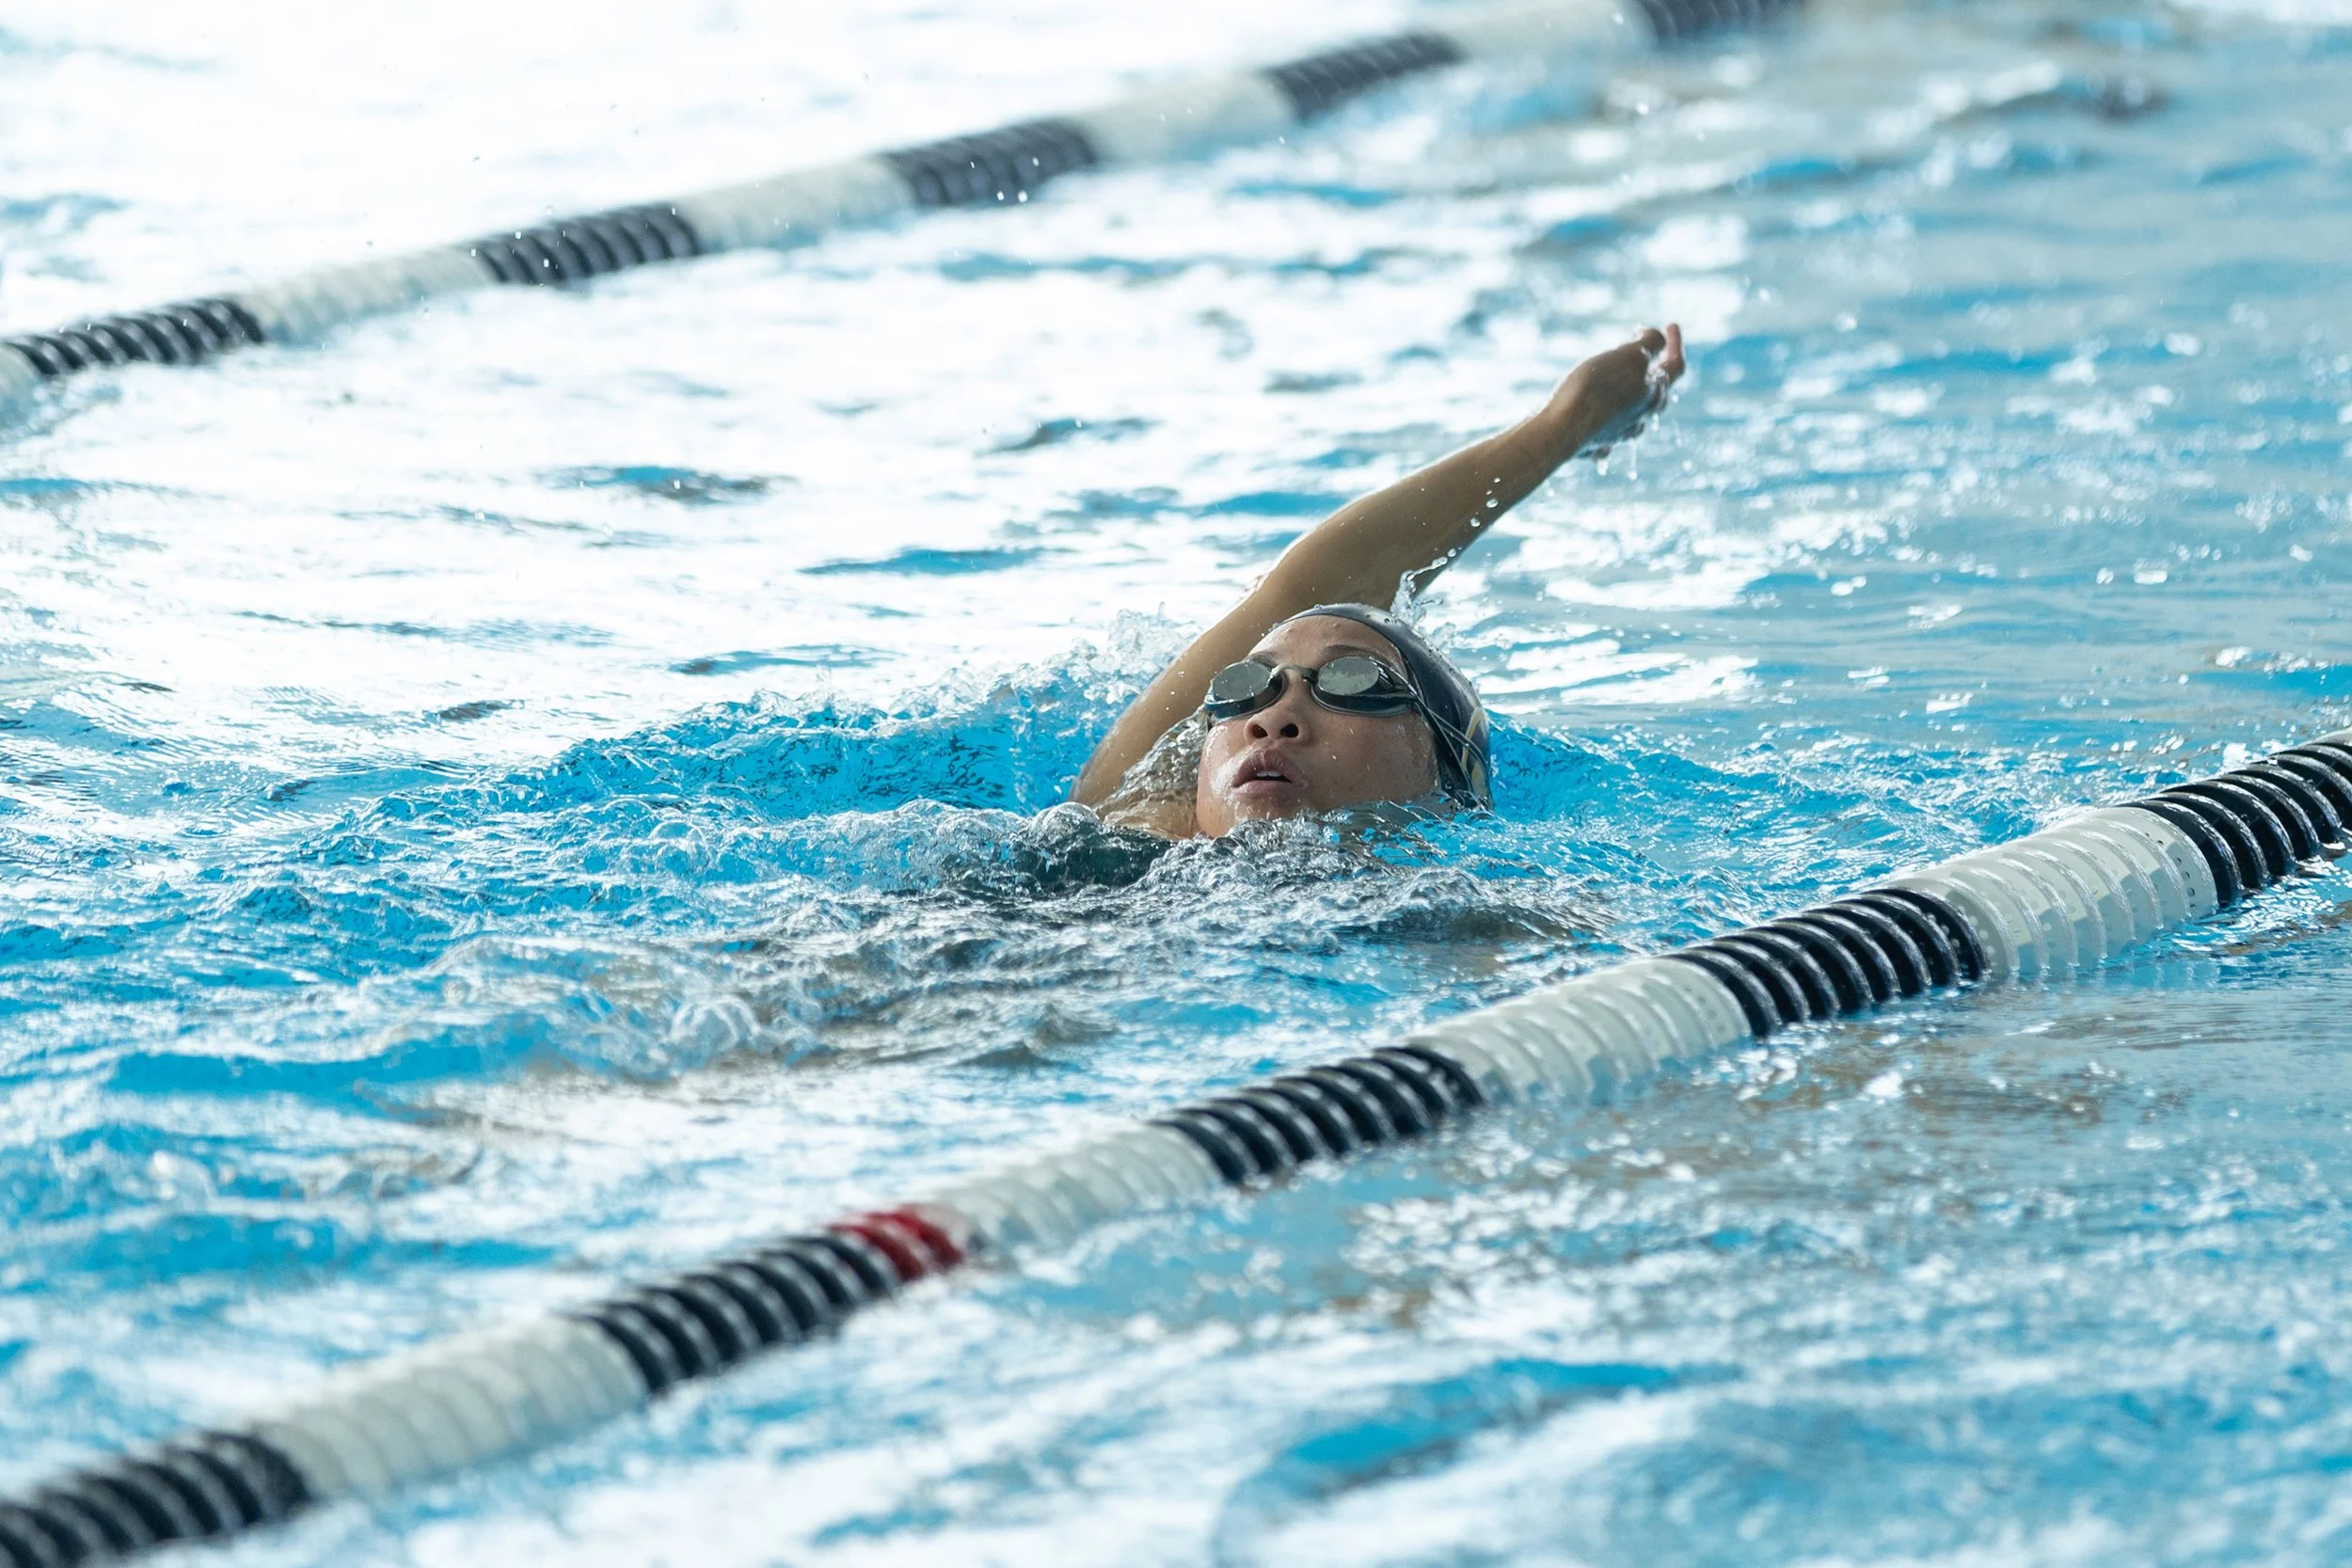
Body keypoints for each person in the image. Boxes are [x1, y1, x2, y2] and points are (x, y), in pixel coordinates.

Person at [1073, 325, 1687, 839]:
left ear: (1451, 790)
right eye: (1244, 685)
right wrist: (1563, 425)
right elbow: (1295, 594)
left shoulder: (1489, 923)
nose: (1274, 717)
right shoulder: (1110, 828)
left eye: (1355, 682)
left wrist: (1567, 422)